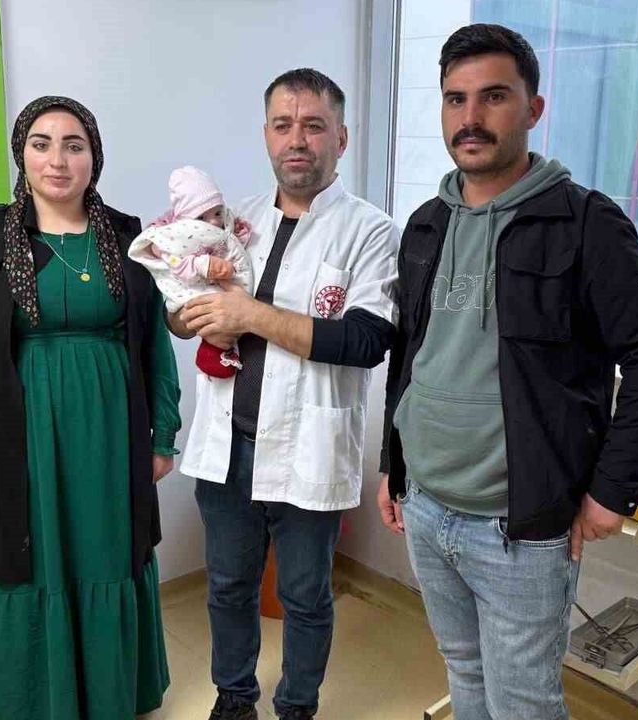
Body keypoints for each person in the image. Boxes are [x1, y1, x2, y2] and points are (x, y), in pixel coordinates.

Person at [377, 25, 638, 720]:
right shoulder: (426, 224)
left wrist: (613, 490)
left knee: (523, 702)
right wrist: (392, 467)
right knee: (464, 674)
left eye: (493, 96)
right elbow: (413, 356)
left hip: (518, 529)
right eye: (455, 99)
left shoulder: (582, 223)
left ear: (533, 109)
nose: (471, 117)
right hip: (426, 506)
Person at [0, 95, 181, 720]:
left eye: (74, 145)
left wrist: (161, 434)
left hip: (112, 431)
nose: (57, 160)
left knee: (109, 552)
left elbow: (153, 342)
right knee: (32, 557)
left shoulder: (127, 236)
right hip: (23, 435)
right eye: (41, 144)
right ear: (21, 154)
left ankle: (112, 696)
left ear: (95, 157)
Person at [170, 69, 400, 720]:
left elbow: (365, 340)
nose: (297, 139)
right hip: (228, 449)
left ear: (341, 138)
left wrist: (249, 315)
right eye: (283, 124)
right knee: (227, 587)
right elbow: (181, 309)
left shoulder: (371, 231)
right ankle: (233, 699)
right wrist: (193, 315)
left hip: (307, 447)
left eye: (313, 125)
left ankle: (297, 706)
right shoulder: (234, 220)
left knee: (304, 595)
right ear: (267, 135)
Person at [129, 165, 254, 378]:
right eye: (201, 219)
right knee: (208, 312)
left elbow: (231, 241)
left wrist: (237, 231)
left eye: (217, 213)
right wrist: (201, 265)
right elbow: (175, 264)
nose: (213, 222)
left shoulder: (227, 224)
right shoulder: (174, 239)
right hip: (193, 284)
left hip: (229, 291)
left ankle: (222, 349)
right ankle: (214, 351)